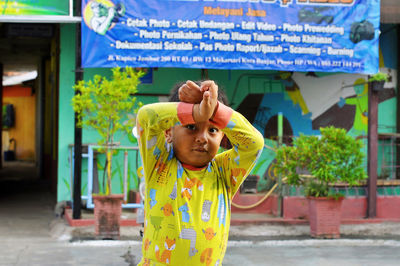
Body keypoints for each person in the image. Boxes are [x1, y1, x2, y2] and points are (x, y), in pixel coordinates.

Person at [135, 80, 264, 265]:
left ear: (222, 137)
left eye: (212, 130)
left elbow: (254, 144)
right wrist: (196, 112)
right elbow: (145, 116)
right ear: (168, 133)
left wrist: (215, 109)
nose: (202, 138)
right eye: (191, 126)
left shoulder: (223, 172)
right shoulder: (159, 163)